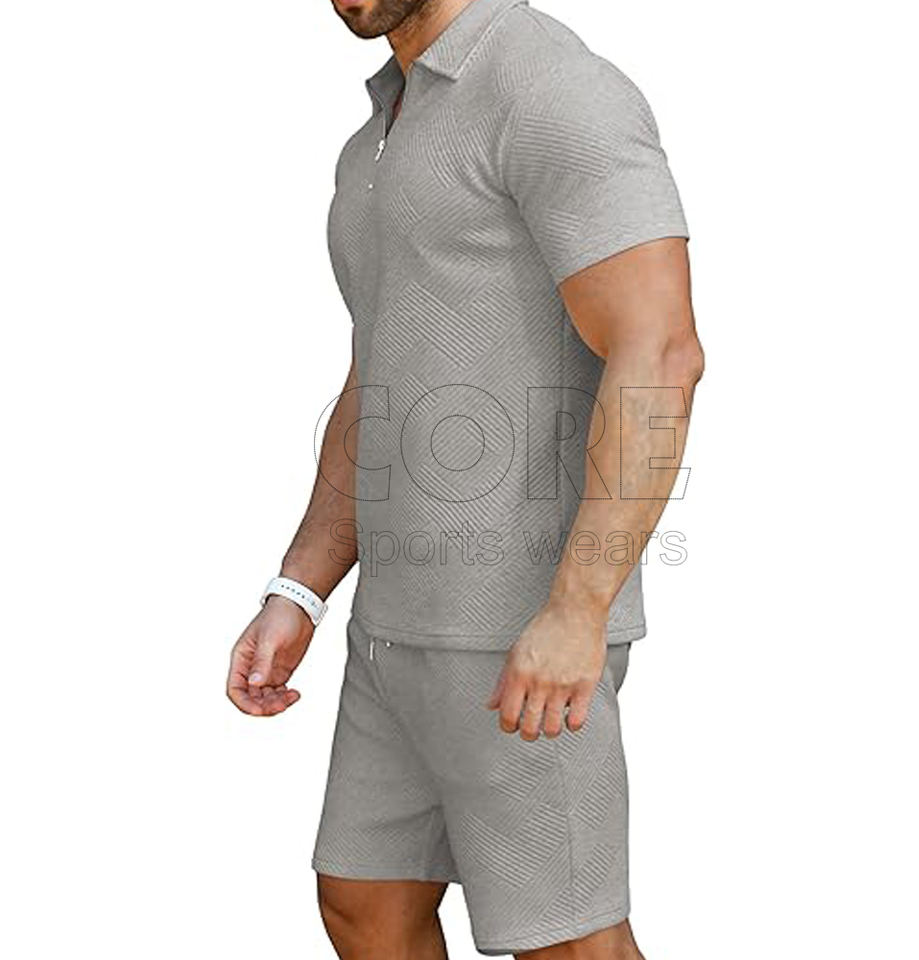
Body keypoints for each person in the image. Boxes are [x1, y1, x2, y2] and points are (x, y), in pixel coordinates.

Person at [226, 0, 704, 956]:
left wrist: (578, 610)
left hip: (516, 632)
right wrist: (301, 588)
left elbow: (660, 353)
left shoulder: (552, 89)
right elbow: (379, 376)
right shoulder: (381, 131)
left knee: (569, 941)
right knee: (365, 901)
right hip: (393, 629)